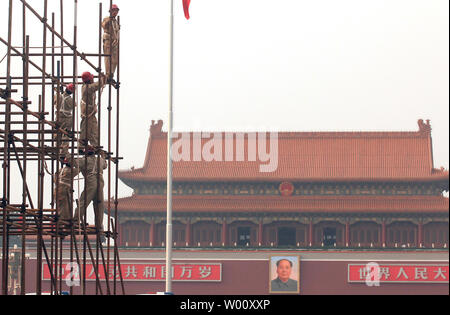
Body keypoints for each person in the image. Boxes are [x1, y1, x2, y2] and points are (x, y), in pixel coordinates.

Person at [73, 147, 107, 232]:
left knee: (83, 201)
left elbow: (74, 162)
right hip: (100, 183)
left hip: (91, 183)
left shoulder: (84, 160)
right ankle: (99, 225)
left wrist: (66, 156)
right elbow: (105, 165)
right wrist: (103, 156)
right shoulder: (100, 160)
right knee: (99, 204)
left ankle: (75, 220)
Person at [79, 71, 106, 151]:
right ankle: (81, 146)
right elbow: (97, 85)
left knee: (93, 129)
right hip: (87, 111)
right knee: (85, 129)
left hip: (90, 112)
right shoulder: (87, 88)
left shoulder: (87, 87)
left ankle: (95, 145)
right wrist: (103, 78)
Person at [53, 157, 80, 224]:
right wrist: (75, 162)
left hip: (57, 189)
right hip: (64, 189)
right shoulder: (71, 171)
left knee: (60, 206)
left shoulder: (60, 170)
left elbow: (55, 179)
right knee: (65, 208)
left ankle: (61, 222)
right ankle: (63, 224)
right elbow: (79, 169)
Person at [54, 83, 76, 159]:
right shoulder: (70, 100)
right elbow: (74, 105)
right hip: (67, 118)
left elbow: (54, 102)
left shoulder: (58, 96)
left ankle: (56, 150)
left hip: (58, 117)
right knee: (66, 134)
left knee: (57, 134)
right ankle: (63, 152)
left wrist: (59, 93)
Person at [102, 4, 120, 84]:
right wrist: (109, 19)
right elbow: (103, 25)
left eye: (116, 11)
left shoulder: (115, 21)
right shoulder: (107, 19)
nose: (115, 12)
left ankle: (111, 75)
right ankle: (108, 75)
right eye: (114, 11)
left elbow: (117, 31)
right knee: (108, 58)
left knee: (115, 60)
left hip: (114, 41)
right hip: (108, 40)